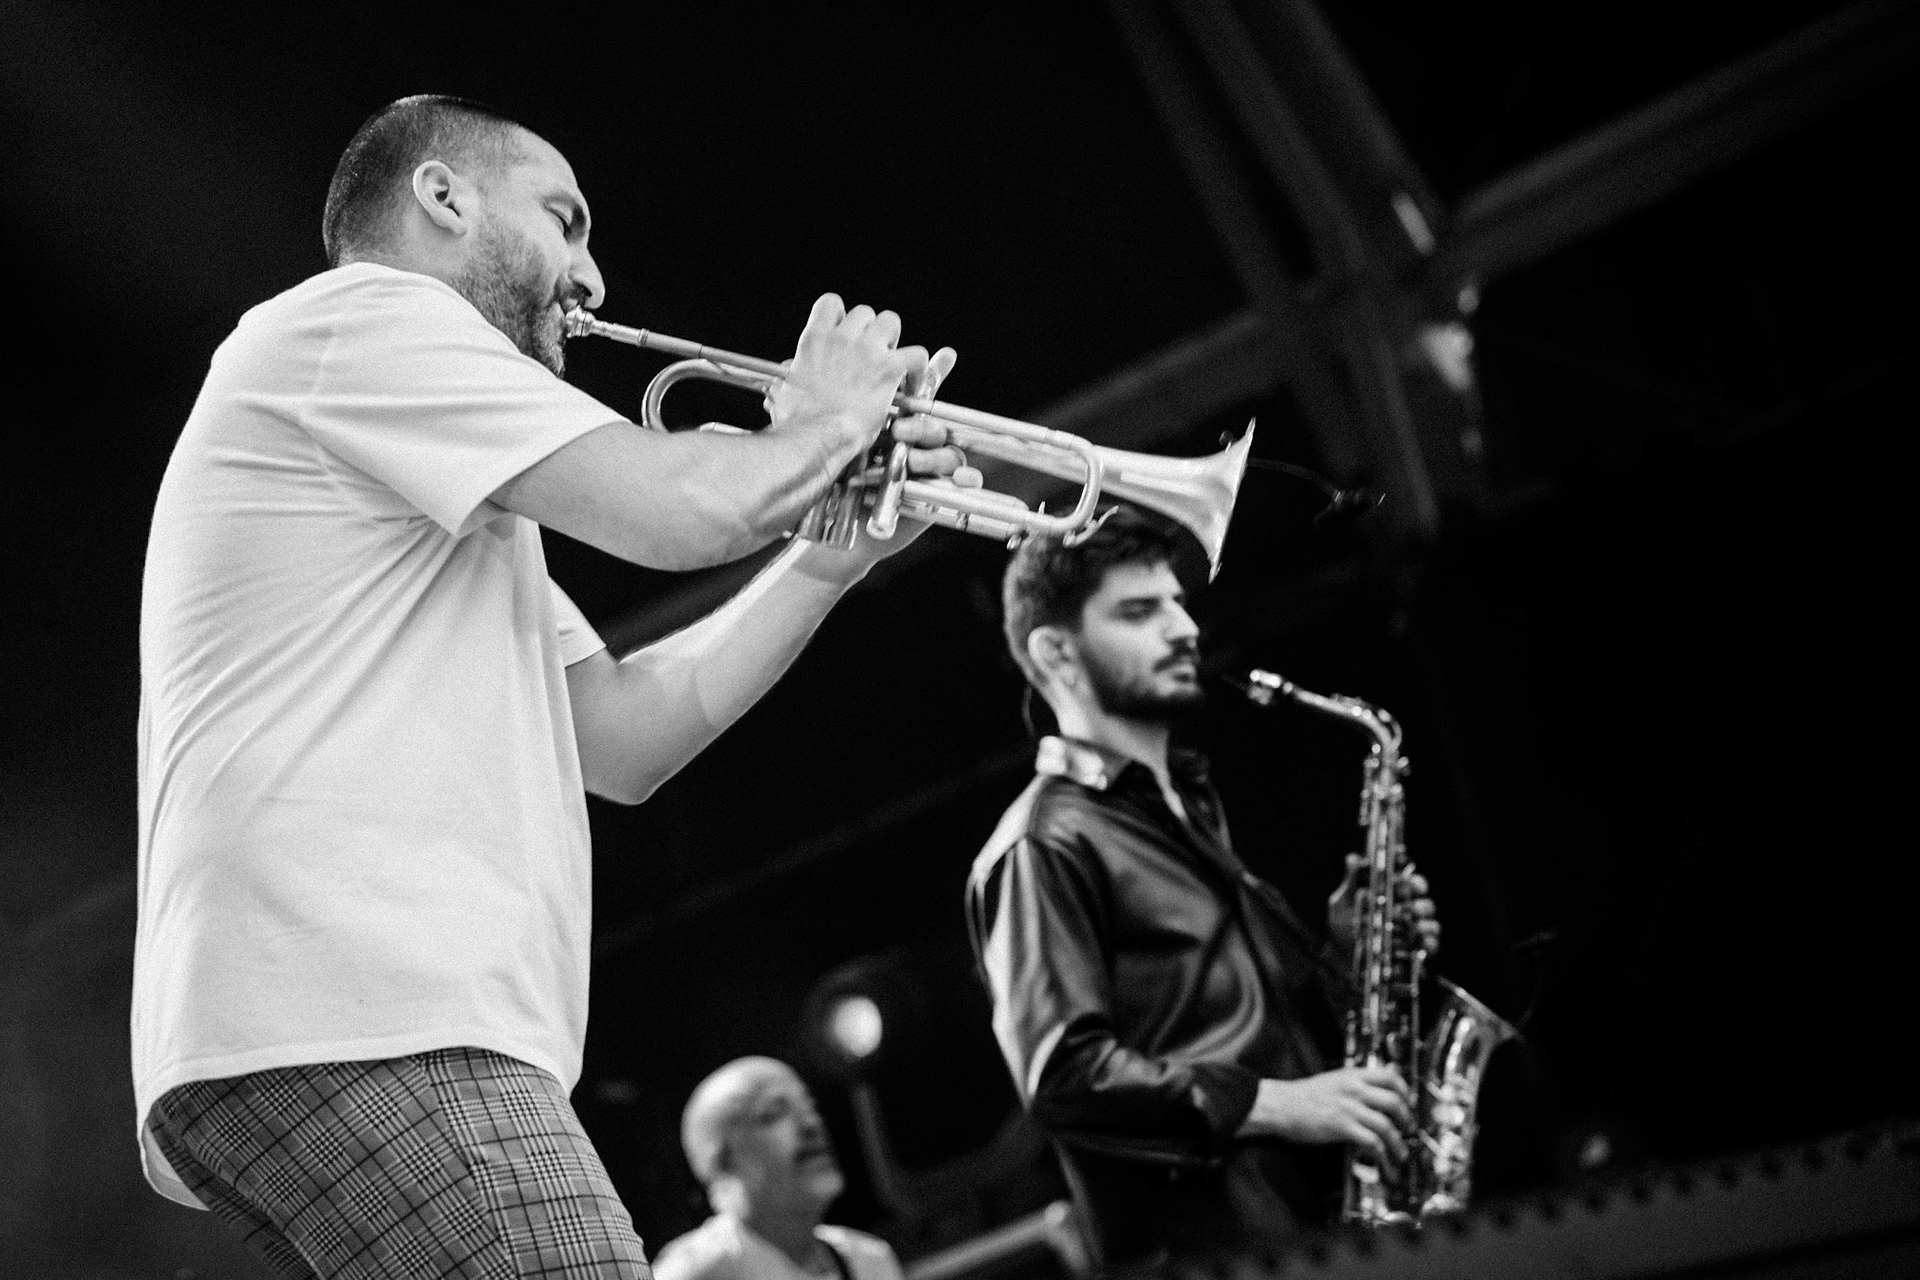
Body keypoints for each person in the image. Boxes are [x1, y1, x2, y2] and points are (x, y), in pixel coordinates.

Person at [133, 94, 975, 1280]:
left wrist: (828, 557)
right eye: (564, 220)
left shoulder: (439, 492)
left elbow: (626, 736)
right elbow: (687, 508)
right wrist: (828, 424)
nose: (592, 274)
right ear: (442, 196)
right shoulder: (365, 318)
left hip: (333, 1024)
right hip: (378, 1011)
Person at [964, 508, 1442, 1274]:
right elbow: (1064, 1079)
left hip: (1310, 1233)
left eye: (1179, 603)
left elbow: (1241, 1031)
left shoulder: (1189, 807)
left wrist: (1347, 959)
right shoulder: (1044, 844)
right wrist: (1283, 1105)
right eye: (1139, 611)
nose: (1184, 627)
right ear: (1056, 652)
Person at [653, 1058, 904, 1280]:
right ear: (721, 1163)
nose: (811, 1124)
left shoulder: (871, 1261)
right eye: (773, 1113)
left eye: (810, 1108)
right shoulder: (695, 1272)